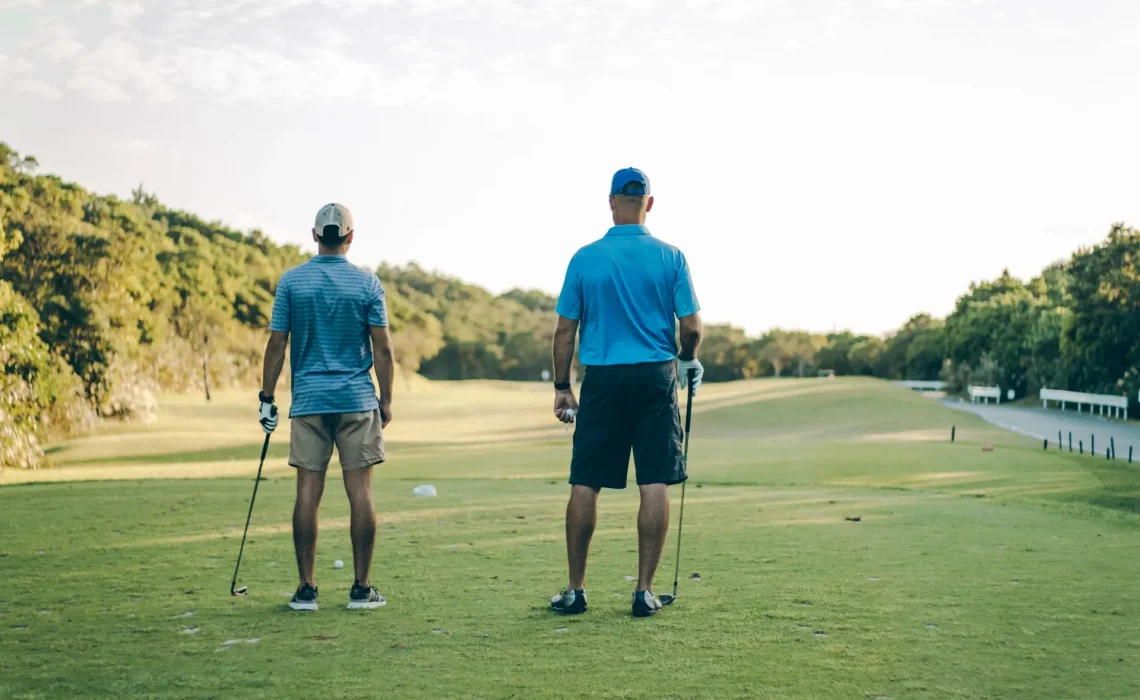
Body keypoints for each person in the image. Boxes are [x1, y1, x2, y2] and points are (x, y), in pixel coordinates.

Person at [549, 167, 704, 618]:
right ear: (649, 204)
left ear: (612, 201)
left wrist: (563, 387)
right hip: (655, 377)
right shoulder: (671, 256)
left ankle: (576, 590)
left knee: (586, 482)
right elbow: (691, 326)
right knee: (654, 480)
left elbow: (564, 331)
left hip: (602, 380)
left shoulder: (585, 257)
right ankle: (644, 592)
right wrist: (685, 357)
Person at [258, 202, 395, 612]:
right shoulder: (368, 284)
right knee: (362, 494)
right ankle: (361, 588)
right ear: (350, 237)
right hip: (357, 401)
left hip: (309, 402)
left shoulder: (291, 282)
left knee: (307, 494)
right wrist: (386, 400)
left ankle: (306, 590)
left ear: (316, 235)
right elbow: (383, 349)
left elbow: (276, 345)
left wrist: (266, 398)